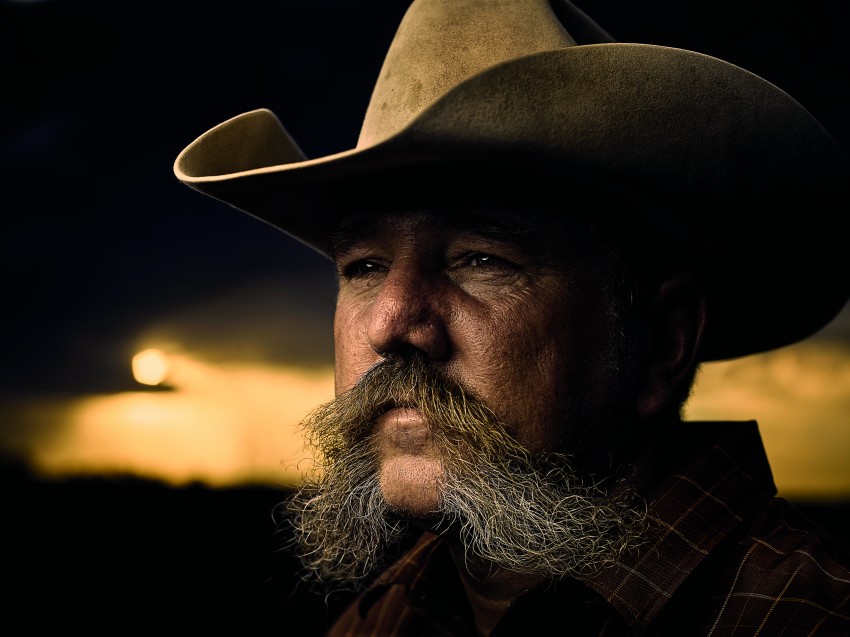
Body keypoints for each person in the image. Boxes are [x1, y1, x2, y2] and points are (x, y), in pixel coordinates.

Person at [173, 0, 850, 634]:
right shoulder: (389, 614)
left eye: (480, 259)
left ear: (661, 340)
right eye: (365, 267)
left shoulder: (804, 615)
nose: (391, 324)